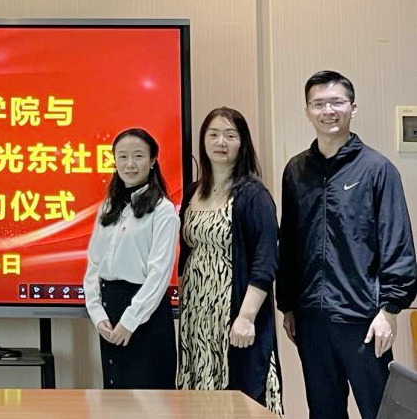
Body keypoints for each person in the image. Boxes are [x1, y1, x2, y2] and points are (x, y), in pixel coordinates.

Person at [277, 71, 416, 419]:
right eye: (318, 104)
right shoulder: (296, 171)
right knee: (323, 411)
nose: (328, 111)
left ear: (353, 107)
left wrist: (390, 310)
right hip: (311, 318)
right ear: (307, 111)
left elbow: (397, 242)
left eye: (337, 102)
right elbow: (289, 243)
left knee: (381, 412)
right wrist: (288, 304)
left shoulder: (377, 169)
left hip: (364, 318)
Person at [177, 107, 282, 414]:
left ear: (242, 143)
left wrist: (246, 317)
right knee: (199, 392)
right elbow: (186, 251)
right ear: (203, 141)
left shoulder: (253, 195)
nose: (220, 142)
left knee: (242, 394)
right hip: (197, 316)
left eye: (230, 135)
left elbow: (265, 261)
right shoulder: (193, 192)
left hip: (235, 313)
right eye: (213, 134)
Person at [83, 128, 179, 389]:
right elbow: (94, 265)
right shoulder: (108, 207)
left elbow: (159, 275)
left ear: (152, 160)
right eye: (122, 156)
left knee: (150, 399)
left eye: (138, 156)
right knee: (115, 397)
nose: (130, 164)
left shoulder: (163, 210)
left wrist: (130, 321)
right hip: (110, 312)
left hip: (145, 315)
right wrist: (96, 313)